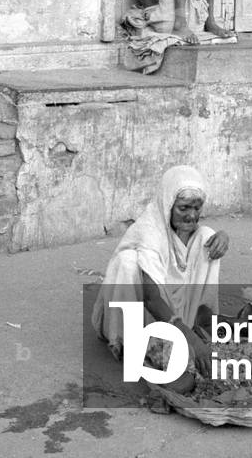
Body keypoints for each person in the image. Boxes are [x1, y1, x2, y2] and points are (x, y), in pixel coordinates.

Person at [92, 165, 229, 389]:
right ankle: (131, 345)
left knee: (209, 237)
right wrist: (189, 340)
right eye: (184, 208)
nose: (192, 215)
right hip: (143, 307)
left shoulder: (189, 228)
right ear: (168, 205)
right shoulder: (150, 230)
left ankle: (196, 324)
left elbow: (195, 243)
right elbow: (151, 298)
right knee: (127, 261)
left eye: (197, 207)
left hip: (174, 313)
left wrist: (223, 238)